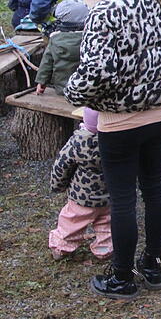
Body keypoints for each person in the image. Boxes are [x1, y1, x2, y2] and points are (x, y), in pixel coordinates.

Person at [64, 0, 161, 299]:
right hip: (160, 115)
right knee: (153, 189)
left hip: (121, 122)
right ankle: (152, 265)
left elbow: (96, 72)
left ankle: (121, 278)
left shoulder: (108, 11)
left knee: (122, 200)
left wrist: (72, 91)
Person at [49, 108, 111, 261]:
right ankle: (105, 249)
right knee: (107, 224)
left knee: (72, 221)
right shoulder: (117, 142)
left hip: (82, 195)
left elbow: (62, 165)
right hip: (110, 195)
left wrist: (57, 185)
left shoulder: (78, 142)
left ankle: (61, 247)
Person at [35, 0, 89, 96]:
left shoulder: (55, 39)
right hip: (87, 89)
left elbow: (46, 63)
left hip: (63, 89)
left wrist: (41, 82)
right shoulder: (90, 39)